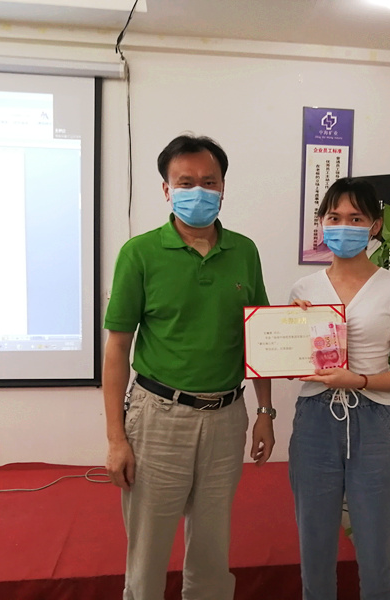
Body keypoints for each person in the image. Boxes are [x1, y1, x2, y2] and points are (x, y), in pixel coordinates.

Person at [103, 134, 275, 600]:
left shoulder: (244, 251)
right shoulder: (139, 253)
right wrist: (116, 438)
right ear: (166, 189)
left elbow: (259, 337)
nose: (198, 191)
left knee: (213, 553)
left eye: (209, 181)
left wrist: (265, 412)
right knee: (148, 555)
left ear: (223, 188)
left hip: (227, 417)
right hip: (158, 418)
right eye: (185, 182)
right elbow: (117, 348)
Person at [289, 177, 390, 600]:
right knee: (314, 541)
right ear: (322, 223)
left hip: (374, 419)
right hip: (315, 419)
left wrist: (358, 380)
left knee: (377, 541)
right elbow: (292, 363)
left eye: (355, 218)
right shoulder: (304, 290)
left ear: (375, 226)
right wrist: (292, 327)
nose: (343, 226)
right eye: (334, 217)